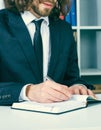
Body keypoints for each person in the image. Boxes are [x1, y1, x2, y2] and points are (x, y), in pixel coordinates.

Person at [0, 0, 95, 105]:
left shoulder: (64, 29)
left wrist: (77, 86)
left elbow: (72, 78)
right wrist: (27, 91)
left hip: (58, 116)